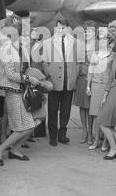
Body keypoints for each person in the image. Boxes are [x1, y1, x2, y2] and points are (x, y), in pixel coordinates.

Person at [0, 17, 52, 166]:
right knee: (26, 125)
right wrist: (29, 80)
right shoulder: (8, 49)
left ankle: (15, 149)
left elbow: (25, 68)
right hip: (14, 90)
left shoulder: (19, 47)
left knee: (36, 121)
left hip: (22, 89)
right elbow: (11, 74)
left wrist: (40, 78)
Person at [42, 18, 79, 146]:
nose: (60, 30)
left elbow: (78, 62)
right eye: (58, 27)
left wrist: (74, 77)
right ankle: (53, 136)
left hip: (68, 82)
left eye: (63, 27)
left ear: (68, 28)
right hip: (54, 82)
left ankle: (62, 134)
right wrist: (49, 74)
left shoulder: (75, 43)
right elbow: (45, 61)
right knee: (52, 110)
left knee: (65, 110)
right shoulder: (48, 42)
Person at [87, 27, 112, 151]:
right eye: (100, 38)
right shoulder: (94, 54)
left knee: (106, 116)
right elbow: (90, 71)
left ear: (109, 40)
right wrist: (88, 86)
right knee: (96, 116)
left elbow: (113, 73)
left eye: (105, 38)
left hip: (107, 87)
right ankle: (96, 140)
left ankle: (106, 142)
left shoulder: (113, 55)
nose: (102, 41)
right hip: (95, 85)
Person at [73, 20, 96, 144]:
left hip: (94, 78)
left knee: (91, 107)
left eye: (90, 31)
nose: (87, 33)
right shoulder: (79, 44)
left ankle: (91, 131)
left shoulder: (98, 45)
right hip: (81, 77)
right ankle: (85, 130)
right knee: (82, 106)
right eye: (85, 31)